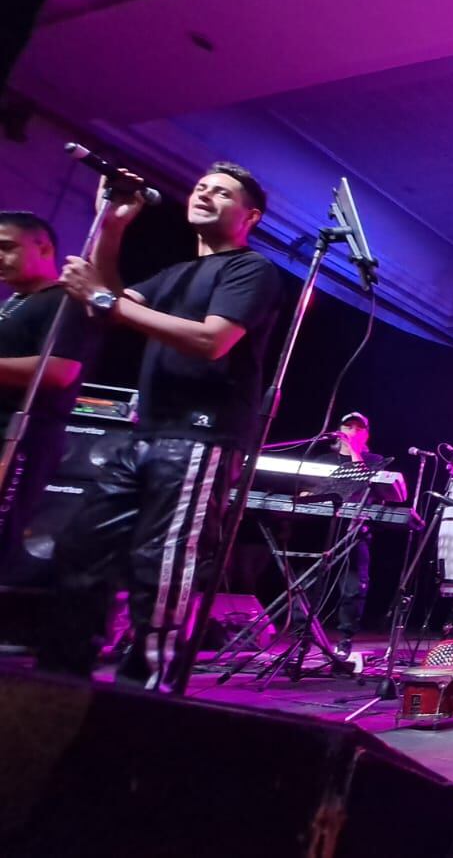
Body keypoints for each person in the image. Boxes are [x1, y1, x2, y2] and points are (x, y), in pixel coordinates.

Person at [36, 162, 283, 688]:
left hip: (199, 434)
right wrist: (115, 225)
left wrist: (104, 300)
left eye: (222, 192)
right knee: (81, 550)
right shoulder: (173, 274)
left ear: (250, 216)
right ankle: (61, 681)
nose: (206, 195)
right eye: (201, 187)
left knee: (162, 566)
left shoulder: (249, 270)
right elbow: (107, 305)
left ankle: (146, 692)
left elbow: (210, 340)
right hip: (144, 433)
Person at [0, 211, 91, 567]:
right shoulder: (14, 302)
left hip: (21, 437)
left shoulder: (65, 301)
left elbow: (60, 371)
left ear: (44, 247)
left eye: (6, 247)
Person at [327, 411, 383, 658]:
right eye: (348, 426)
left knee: (353, 588)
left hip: (355, 532)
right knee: (304, 582)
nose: (353, 431)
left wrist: (352, 449)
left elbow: (362, 480)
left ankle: (345, 639)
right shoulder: (323, 458)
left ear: (366, 434)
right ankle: (300, 634)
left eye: (359, 428)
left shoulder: (373, 459)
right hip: (323, 529)